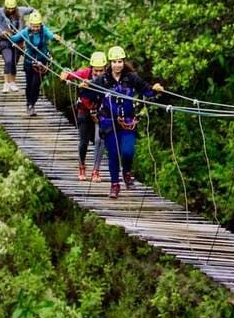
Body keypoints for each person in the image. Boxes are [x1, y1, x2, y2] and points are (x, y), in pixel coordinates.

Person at [82, 46, 164, 199]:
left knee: (128, 152)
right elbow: (90, 94)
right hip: (109, 122)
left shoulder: (131, 78)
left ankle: (126, 172)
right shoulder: (103, 79)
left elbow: (145, 89)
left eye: (120, 61)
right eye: (114, 62)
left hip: (127, 122)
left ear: (123, 62)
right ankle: (115, 185)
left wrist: (155, 90)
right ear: (110, 63)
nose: (117, 65)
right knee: (113, 154)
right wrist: (84, 87)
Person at [60, 50, 107, 181]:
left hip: (100, 111)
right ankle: (82, 166)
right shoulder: (84, 73)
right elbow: (72, 75)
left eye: (101, 70)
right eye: (96, 70)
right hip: (84, 111)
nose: (98, 73)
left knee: (100, 140)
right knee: (83, 141)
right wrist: (65, 74)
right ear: (91, 68)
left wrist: (90, 83)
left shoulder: (107, 79)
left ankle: (96, 171)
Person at [9, 11, 59, 117]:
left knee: (36, 84)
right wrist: (7, 35)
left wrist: (55, 37)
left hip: (42, 63)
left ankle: (32, 104)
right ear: (29, 25)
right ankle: (29, 104)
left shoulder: (44, 30)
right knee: (29, 84)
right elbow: (15, 38)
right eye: (33, 26)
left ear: (40, 25)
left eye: (37, 26)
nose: (35, 28)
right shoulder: (25, 32)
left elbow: (50, 35)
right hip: (29, 62)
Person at [0, 0, 32, 92]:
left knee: (13, 62)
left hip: (18, 41)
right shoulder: (0, 11)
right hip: (5, 41)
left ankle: (12, 82)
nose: (10, 10)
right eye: (8, 8)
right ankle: (6, 83)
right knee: (8, 60)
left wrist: (33, 18)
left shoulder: (21, 11)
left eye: (12, 8)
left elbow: (32, 10)